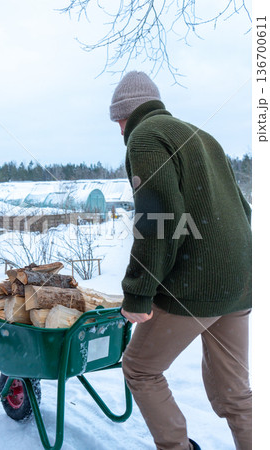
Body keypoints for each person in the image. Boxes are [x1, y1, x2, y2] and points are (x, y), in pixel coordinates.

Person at [109, 71, 252, 450]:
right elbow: (243, 210)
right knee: (235, 394)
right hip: (239, 282)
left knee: (140, 368)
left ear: (125, 115)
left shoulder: (145, 137)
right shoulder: (202, 136)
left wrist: (138, 294)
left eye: (117, 121)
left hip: (198, 284)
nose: (119, 130)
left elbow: (157, 222)